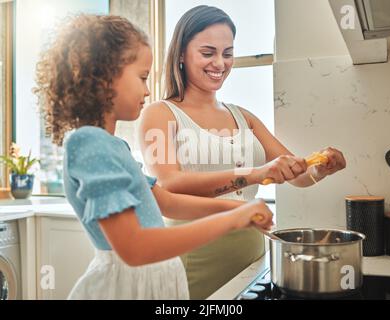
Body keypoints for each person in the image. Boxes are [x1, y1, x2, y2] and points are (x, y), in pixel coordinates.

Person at [34, 14, 274, 300]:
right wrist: (232, 220)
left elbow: (167, 203)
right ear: (103, 78)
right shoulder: (89, 144)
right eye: (142, 77)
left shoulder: (114, 146)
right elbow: (136, 248)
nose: (148, 90)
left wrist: (237, 210)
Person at [139, 5, 346, 299]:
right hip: (194, 249)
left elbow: (297, 175)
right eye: (208, 53)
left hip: (250, 246)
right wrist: (254, 174)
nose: (220, 63)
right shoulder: (160, 113)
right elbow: (170, 183)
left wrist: (320, 168)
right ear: (182, 54)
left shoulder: (243, 116)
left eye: (227, 53)